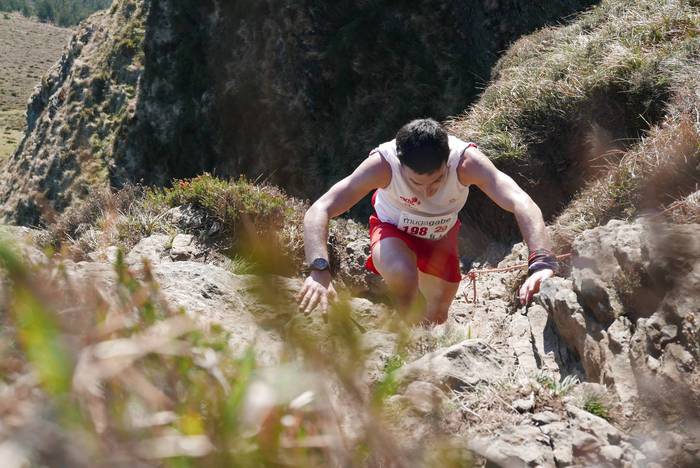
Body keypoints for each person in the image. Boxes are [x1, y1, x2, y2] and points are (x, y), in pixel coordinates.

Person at [297, 118, 556, 324]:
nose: (427, 192)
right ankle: (404, 335)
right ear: (400, 163)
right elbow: (320, 209)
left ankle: (424, 338)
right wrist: (319, 271)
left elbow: (521, 202)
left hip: (441, 237)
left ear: (447, 160)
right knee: (403, 275)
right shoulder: (382, 165)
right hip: (393, 230)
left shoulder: (465, 162)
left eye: (437, 180)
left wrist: (542, 264)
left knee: (437, 315)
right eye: (416, 183)